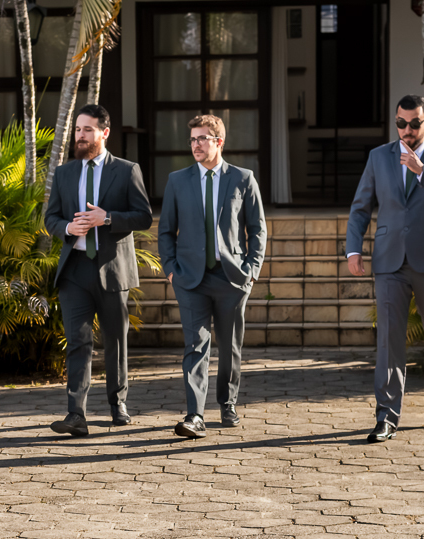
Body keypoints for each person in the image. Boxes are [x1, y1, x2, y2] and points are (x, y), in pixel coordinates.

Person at [346, 94, 424, 443]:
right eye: (401, 123)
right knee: (388, 340)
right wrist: (354, 249)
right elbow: (360, 207)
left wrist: (421, 171)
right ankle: (386, 417)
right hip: (389, 260)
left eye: (414, 123)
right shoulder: (378, 157)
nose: (407, 130)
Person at [44, 104, 152, 437]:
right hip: (74, 269)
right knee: (78, 343)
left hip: (111, 269)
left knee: (115, 340)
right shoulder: (64, 174)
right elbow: (50, 219)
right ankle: (76, 413)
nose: (80, 135)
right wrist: (66, 229)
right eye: (78, 129)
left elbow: (143, 216)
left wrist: (106, 218)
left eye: (87, 130)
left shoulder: (126, 170)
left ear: (104, 133)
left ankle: (118, 404)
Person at [157, 114, 266, 439]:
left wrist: (251, 271)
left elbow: (257, 229)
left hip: (232, 278)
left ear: (219, 141)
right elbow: (165, 231)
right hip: (190, 279)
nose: (195, 145)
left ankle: (227, 402)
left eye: (202, 138)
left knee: (230, 347)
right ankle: (195, 415)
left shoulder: (242, 178)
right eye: (192, 139)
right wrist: (171, 269)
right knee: (195, 346)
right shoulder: (178, 180)